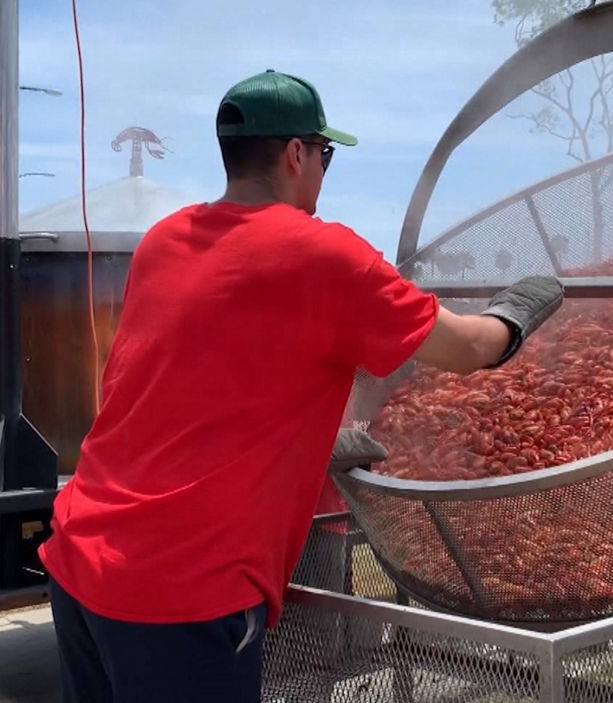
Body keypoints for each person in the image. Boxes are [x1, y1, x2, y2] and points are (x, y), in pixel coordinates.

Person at [37, 69, 564, 702]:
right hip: (184, 589)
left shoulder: (164, 241)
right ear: (296, 153)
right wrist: (514, 316)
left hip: (82, 558)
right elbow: (467, 349)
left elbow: (178, 381)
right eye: (325, 154)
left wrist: (310, 443)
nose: (323, 169)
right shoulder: (325, 256)